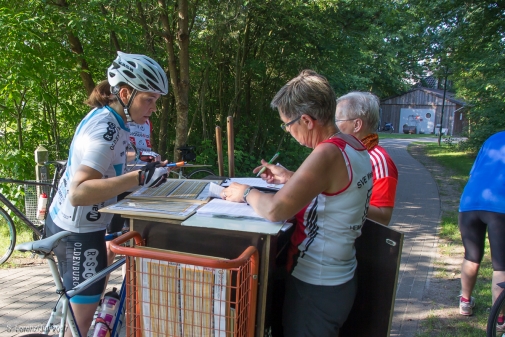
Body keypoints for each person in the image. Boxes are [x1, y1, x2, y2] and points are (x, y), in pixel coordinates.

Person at [222, 70, 373, 337]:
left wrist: (245, 192)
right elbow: (335, 191)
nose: (289, 131)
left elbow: (274, 209)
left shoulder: (327, 152)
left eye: (287, 124)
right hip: (339, 275)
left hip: (316, 283)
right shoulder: (351, 144)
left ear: (306, 120)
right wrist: (291, 178)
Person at [45, 51, 170, 336]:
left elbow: (109, 172)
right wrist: (138, 177)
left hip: (83, 224)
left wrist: (144, 173)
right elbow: (79, 192)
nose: (152, 107)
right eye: (148, 99)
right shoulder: (105, 129)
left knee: (84, 314)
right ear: (125, 93)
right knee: (80, 328)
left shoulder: (113, 119)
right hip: (78, 230)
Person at [458, 130, 505, 323]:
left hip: (470, 201)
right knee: (501, 265)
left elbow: (474, 171)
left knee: (471, 256)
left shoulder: (493, 138)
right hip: (499, 206)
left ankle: (465, 302)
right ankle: (500, 320)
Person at [335, 92, 398, 225]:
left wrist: (336, 200)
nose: (333, 126)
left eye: (337, 120)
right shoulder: (341, 153)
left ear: (357, 125)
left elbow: (383, 217)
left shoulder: (379, 161)